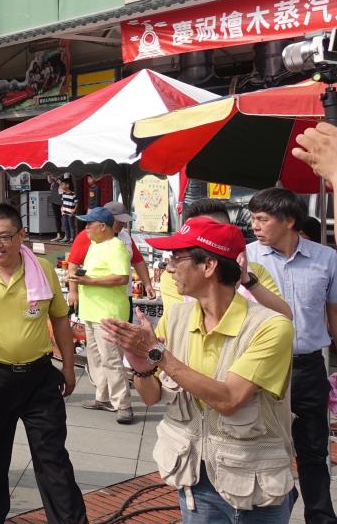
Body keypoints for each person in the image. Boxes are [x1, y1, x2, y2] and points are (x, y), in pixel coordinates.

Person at [101, 217, 296, 524]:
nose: (169, 267)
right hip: (195, 477)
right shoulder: (176, 316)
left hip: (254, 481)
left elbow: (230, 399)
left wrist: (158, 354)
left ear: (208, 266)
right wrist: (140, 365)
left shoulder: (271, 327)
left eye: (177, 259)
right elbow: (152, 397)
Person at [0, 202, 85, 524]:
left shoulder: (43, 270)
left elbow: (60, 318)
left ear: (21, 235)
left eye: (5, 236)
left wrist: (67, 366)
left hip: (39, 378)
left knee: (54, 461)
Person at [245, 187, 337, 524]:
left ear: (289, 221)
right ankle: (272, 514)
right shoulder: (245, 258)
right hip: (262, 368)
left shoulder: (327, 259)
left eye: (262, 219)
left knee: (313, 450)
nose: (254, 225)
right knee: (266, 450)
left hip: (309, 366)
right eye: (253, 218)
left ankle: (321, 517)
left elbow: (334, 315)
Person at [157, 199, 291, 319]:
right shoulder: (174, 276)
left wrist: (248, 282)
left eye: (212, 230)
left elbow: (284, 316)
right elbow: (177, 321)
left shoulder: (254, 271)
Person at [66, 207, 135, 424]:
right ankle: (103, 396)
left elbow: (122, 278)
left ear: (102, 226)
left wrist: (88, 281)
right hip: (91, 310)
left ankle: (123, 404)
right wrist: (79, 281)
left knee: (111, 359)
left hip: (108, 313)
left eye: (89, 224)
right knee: (96, 358)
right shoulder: (96, 245)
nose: (85, 228)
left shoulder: (116, 247)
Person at [47, 173, 64, 242]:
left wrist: (56, 178)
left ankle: (67, 235)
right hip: (54, 196)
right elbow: (49, 181)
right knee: (57, 217)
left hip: (61, 197)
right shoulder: (52, 172)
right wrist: (49, 175)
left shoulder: (63, 172)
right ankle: (58, 235)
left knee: (64, 217)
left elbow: (63, 183)